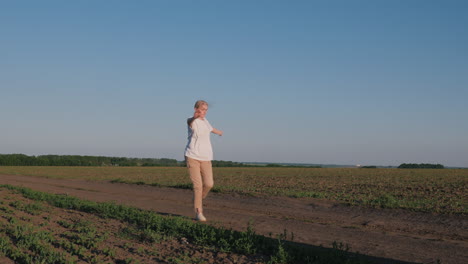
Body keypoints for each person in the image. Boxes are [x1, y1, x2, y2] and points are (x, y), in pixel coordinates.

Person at [185, 100, 223, 221]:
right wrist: (194, 117)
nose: (204, 112)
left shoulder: (205, 121)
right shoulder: (192, 120)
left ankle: (198, 199)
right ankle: (199, 212)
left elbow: (210, 129)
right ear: (196, 109)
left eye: (206, 109)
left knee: (209, 184)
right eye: (202, 109)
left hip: (206, 157)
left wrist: (219, 132)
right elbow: (189, 122)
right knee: (198, 185)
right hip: (192, 156)